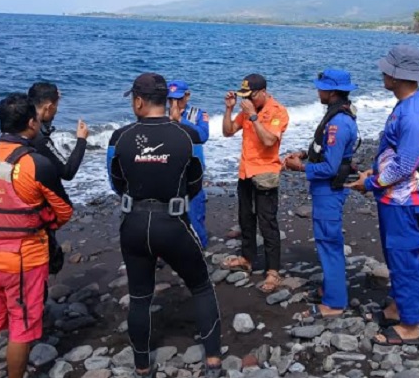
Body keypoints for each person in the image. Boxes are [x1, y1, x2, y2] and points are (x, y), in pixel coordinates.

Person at [107, 73, 222, 378]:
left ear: (139, 101)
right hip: (172, 222)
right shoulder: (188, 135)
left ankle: (142, 367)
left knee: (140, 296)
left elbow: (116, 181)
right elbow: (195, 181)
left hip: (133, 224)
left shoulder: (119, 137)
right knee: (200, 287)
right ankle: (213, 364)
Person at [0, 93, 73, 378]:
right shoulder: (36, 164)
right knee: (21, 327)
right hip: (24, 259)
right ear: (31, 122)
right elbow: (64, 211)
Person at [346, 45, 419, 347]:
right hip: (395, 197)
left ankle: (411, 326)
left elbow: (405, 164)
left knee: (403, 260)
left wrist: (371, 183)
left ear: (398, 75)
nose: (382, 73)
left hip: (404, 199)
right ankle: (399, 306)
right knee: (395, 256)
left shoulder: (411, 115)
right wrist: (373, 177)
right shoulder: (409, 104)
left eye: (387, 69)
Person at [283, 69, 359, 319]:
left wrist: (300, 167)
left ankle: (335, 303)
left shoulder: (338, 122)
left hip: (329, 190)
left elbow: (330, 167)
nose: (318, 91)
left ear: (332, 91)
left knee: (329, 243)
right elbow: (324, 149)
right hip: (327, 189)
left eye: (321, 88)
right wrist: (305, 154)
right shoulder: (337, 115)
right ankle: (329, 288)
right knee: (327, 241)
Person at [220, 74, 289, 294]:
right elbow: (228, 131)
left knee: (267, 221)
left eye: (250, 96)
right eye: (244, 97)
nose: (246, 100)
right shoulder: (248, 111)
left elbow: (269, 141)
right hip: (245, 172)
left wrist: (253, 117)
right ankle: (247, 258)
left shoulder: (277, 111)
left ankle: (273, 270)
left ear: (261, 92)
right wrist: (230, 109)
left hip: (265, 174)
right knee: (245, 218)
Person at [167, 80, 210, 247]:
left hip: (192, 172)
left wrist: (180, 121)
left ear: (187, 95)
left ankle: (200, 247)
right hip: (170, 170)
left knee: (194, 214)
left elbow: (203, 136)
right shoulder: (162, 115)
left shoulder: (197, 113)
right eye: (170, 99)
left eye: (178, 99)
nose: (174, 103)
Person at [28, 81, 88, 181]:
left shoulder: (20, 123)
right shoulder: (39, 140)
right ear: (49, 107)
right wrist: (82, 140)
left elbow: (44, 121)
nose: (56, 110)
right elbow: (67, 172)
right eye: (56, 106)